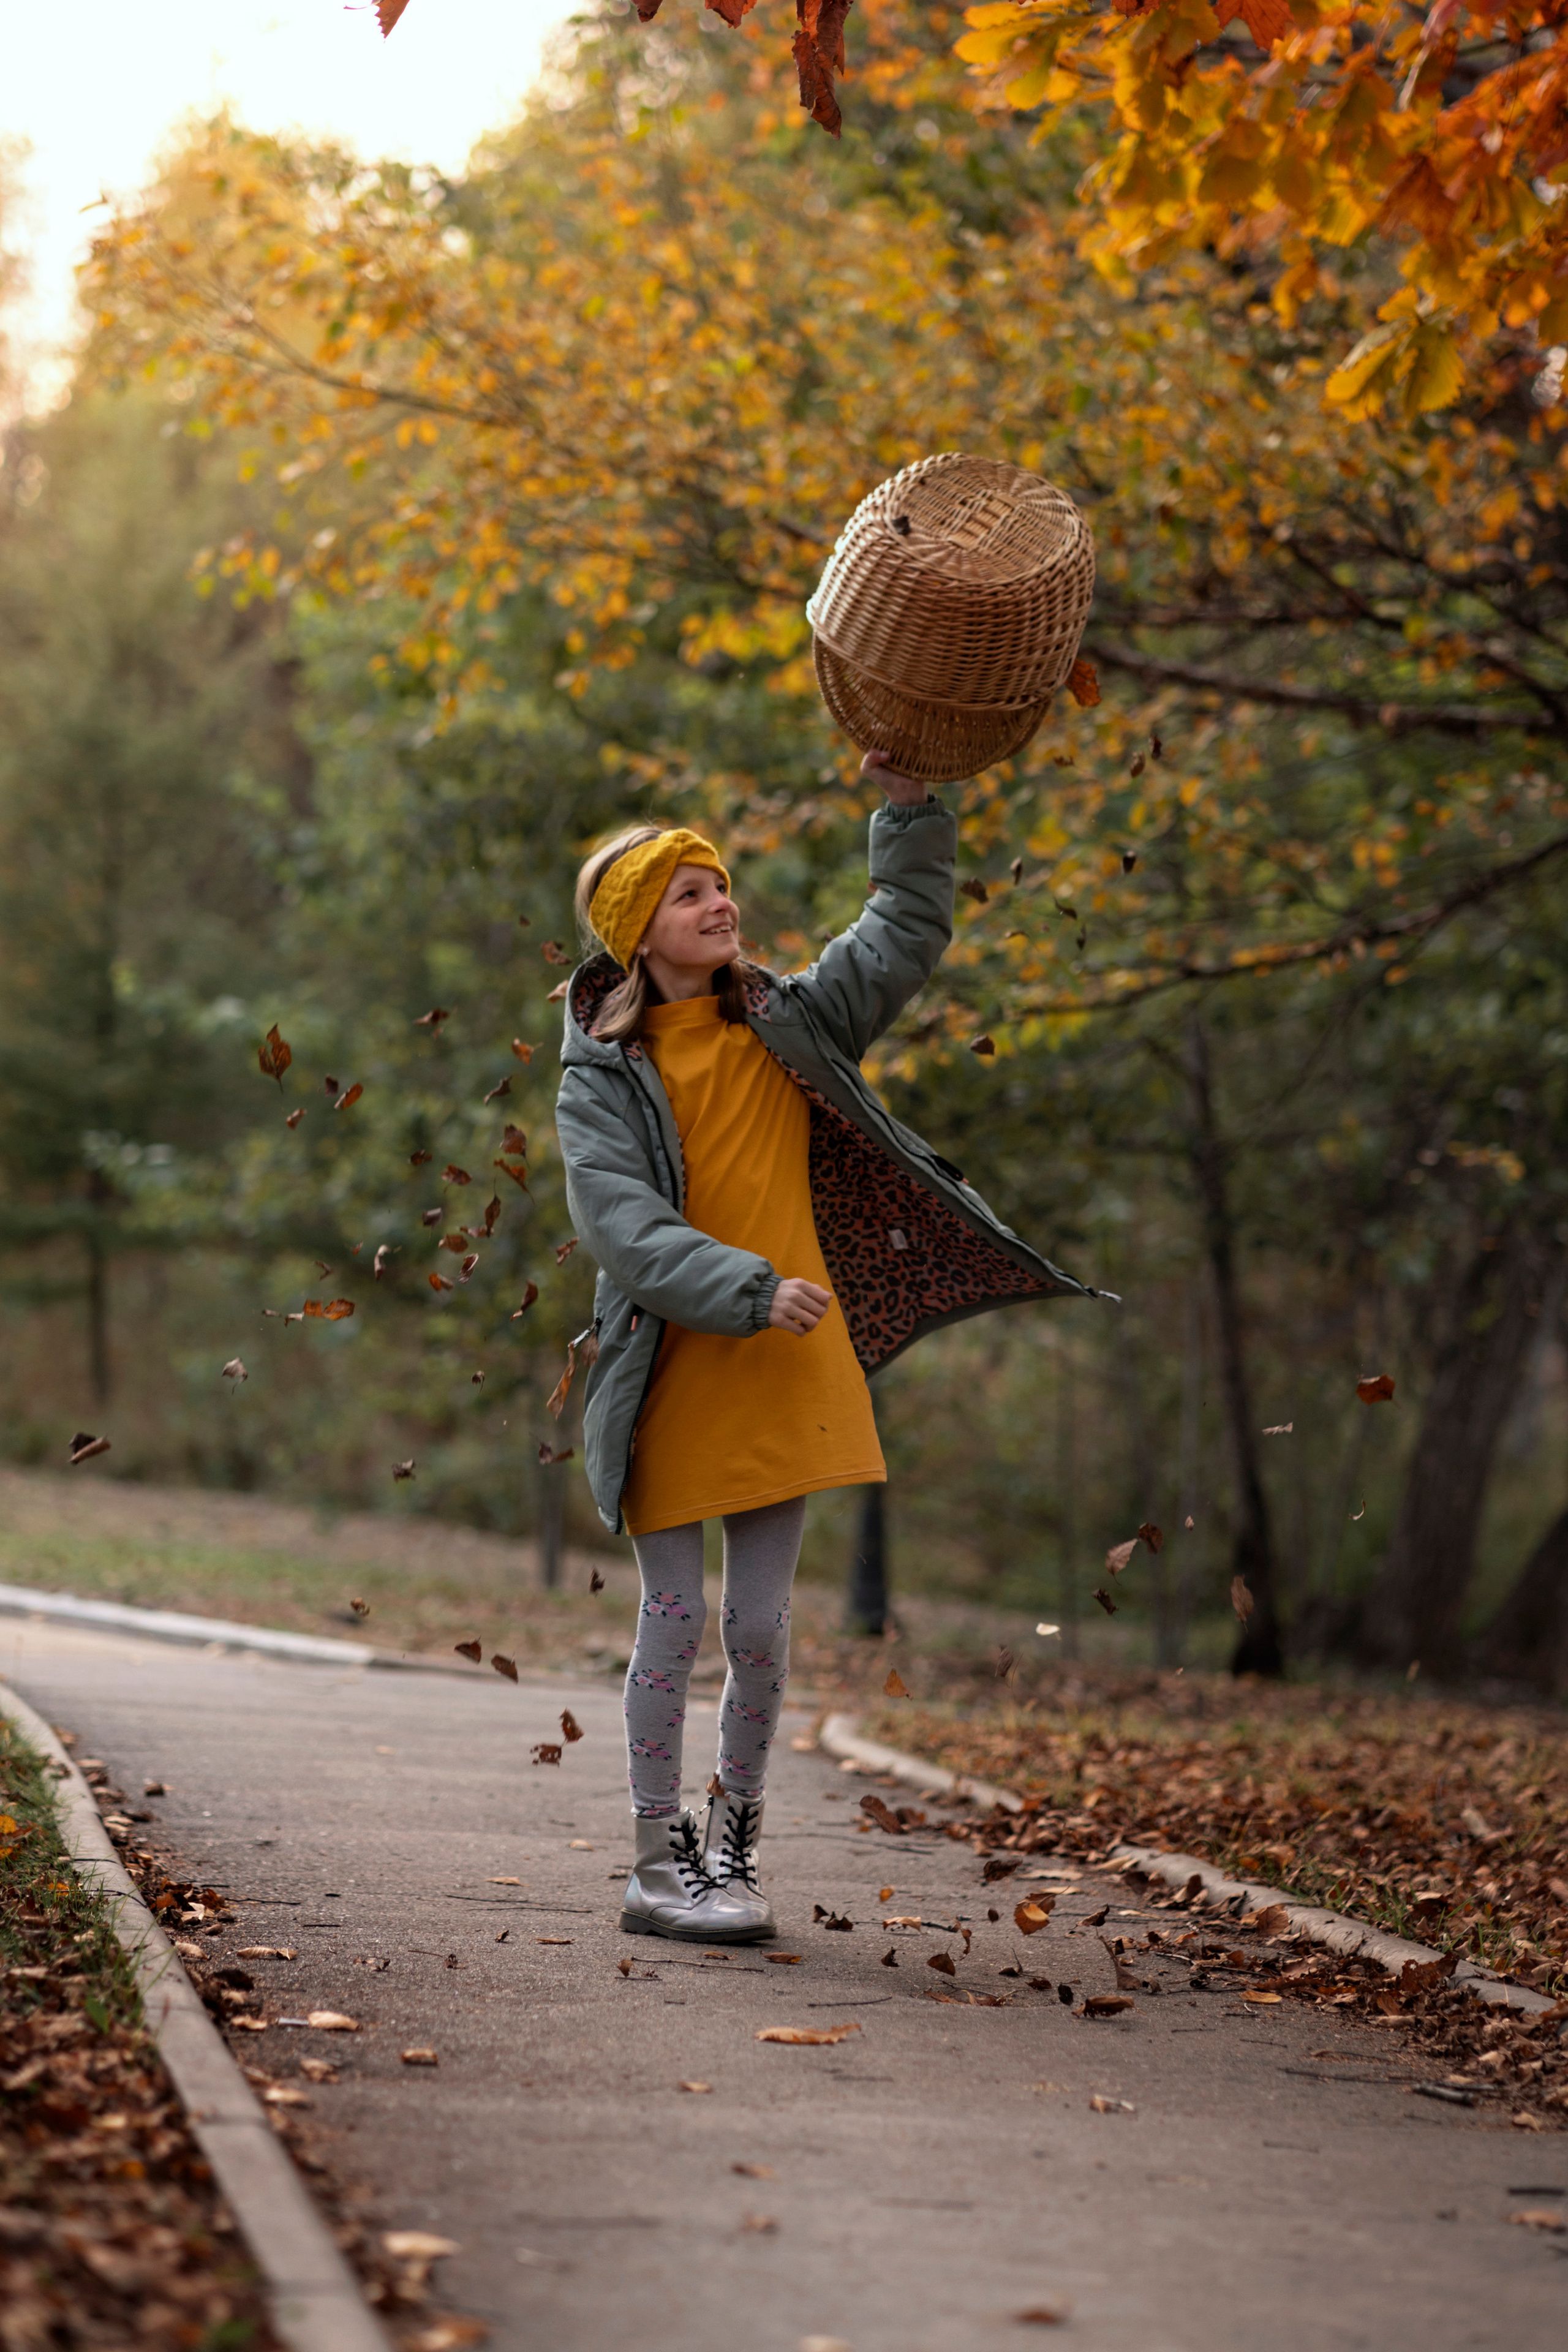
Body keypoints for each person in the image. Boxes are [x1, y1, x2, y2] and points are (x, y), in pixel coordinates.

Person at [556, 752, 1091, 1943]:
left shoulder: (791, 1019)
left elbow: (901, 931)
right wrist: (746, 1287)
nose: (719, 903)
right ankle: (656, 1864)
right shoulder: (602, 1070)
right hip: (670, 1366)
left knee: (756, 1627)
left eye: (721, 884)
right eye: (690, 893)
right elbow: (622, 1228)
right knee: (674, 1618)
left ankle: (732, 1850)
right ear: (642, 931)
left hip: (790, 1356)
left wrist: (907, 808)